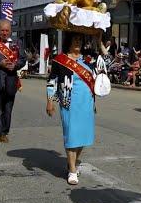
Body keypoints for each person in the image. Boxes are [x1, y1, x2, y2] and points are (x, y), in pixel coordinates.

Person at [46, 31, 108, 185]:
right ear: (68, 41)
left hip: (86, 101)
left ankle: (73, 161)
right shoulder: (60, 60)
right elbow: (52, 81)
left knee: (83, 136)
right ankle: (72, 170)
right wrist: (50, 101)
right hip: (68, 102)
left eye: (80, 40)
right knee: (71, 134)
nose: (77, 42)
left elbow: (105, 56)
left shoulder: (88, 58)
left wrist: (99, 39)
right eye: (74, 40)